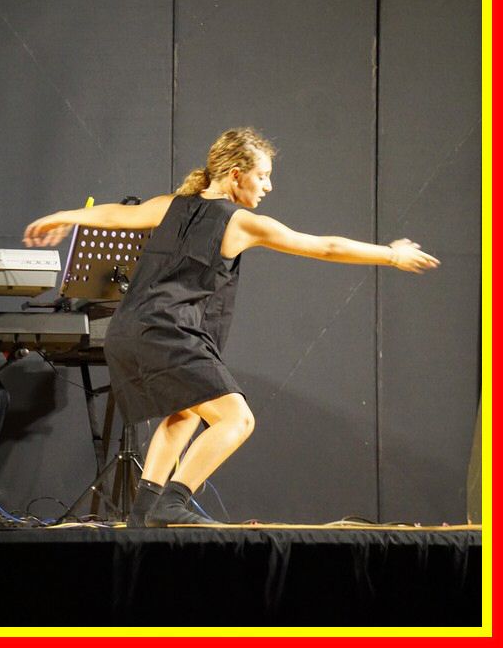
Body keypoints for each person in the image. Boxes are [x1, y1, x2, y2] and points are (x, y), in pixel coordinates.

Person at [23, 127, 440, 527]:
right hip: (166, 331)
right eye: (263, 176)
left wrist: (65, 216)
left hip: (126, 332)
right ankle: (172, 501)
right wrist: (391, 254)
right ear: (237, 174)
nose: (268, 186)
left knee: (186, 412)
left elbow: (118, 215)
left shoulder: (172, 204)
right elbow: (325, 247)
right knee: (237, 420)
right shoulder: (238, 222)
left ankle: (142, 513)